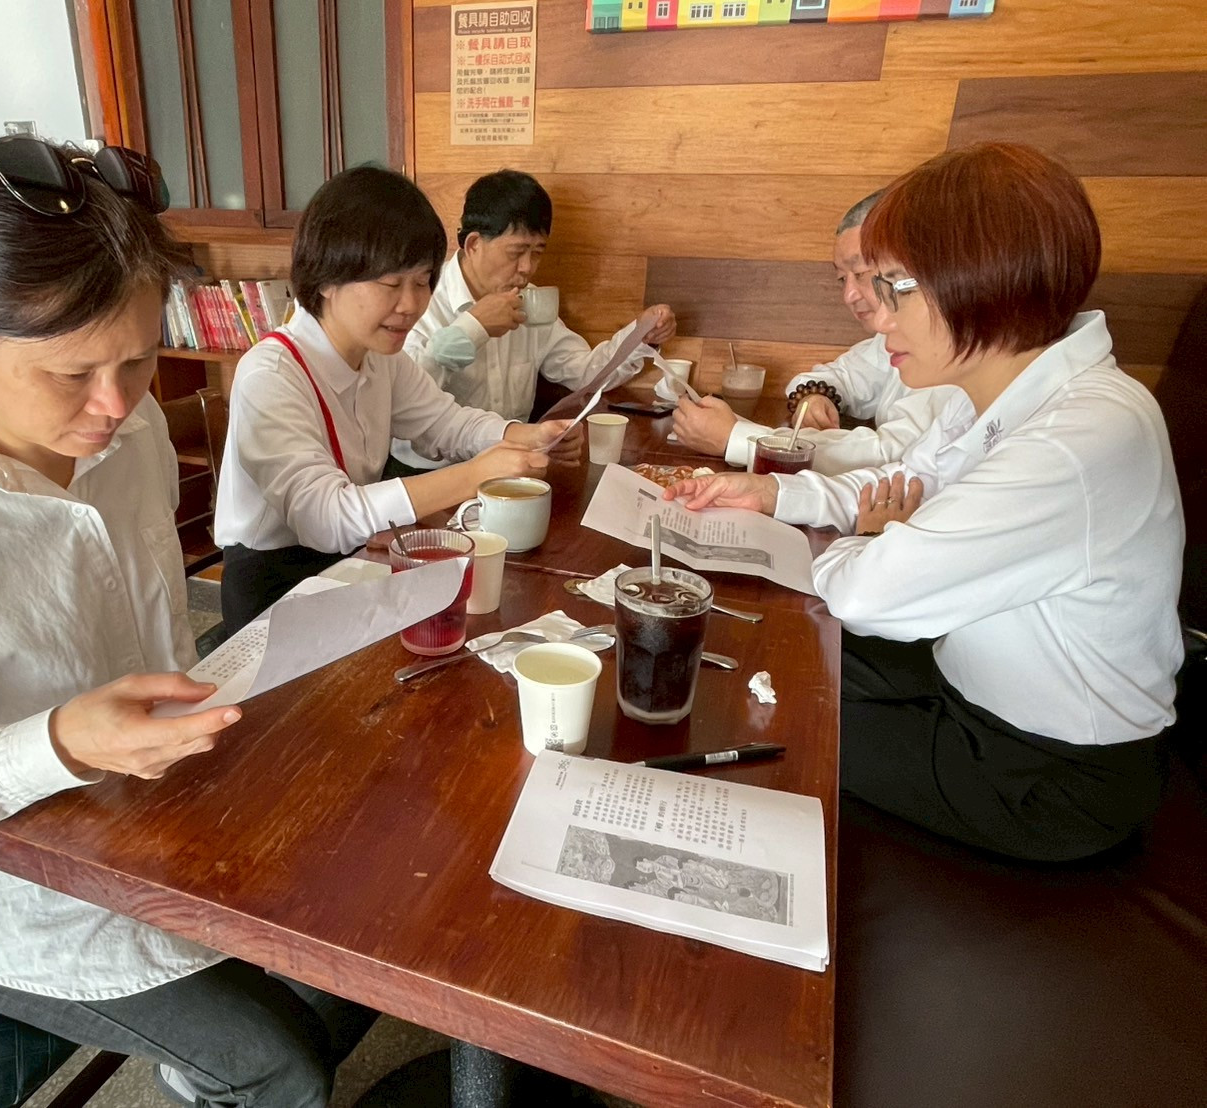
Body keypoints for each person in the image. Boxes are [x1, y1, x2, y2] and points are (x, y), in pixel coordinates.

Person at [0, 135, 372, 1108]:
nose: (115, 405)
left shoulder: (130, 429)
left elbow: (157, 632)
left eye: (138, 357)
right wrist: (55, 744)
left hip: (161, 805)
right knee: (279, 1059)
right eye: (72, 372)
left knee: (379, 895)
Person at [665, 143, 1183, 863]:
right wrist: (771, 492)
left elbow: (867, 595)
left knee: (759, 713)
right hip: (965, 678)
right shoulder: (996, 392)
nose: (878, 318)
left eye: (895, 288)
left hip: (1047, 774)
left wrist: (870, 539)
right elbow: (896, 483)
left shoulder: (1078, 435)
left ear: (981, 280)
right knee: (764, 655)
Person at [214, 166, 576, 636]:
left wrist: (523, 435)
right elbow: (324, 517)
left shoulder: (380, 357)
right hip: (271, 586)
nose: (411, 305)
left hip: (351, 560)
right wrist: (472, 475)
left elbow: (446, 423)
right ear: (326, 277)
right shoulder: (271, 374)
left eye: (422, 281)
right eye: (391, 284)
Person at [388, 169, 676, 473]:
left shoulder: (533, 302)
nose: (527, 267)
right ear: (473, 245)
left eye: (537, 252)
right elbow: (406, 404)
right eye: (517, 252)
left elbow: (585, 374)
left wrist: (640, 335)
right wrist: (472, 329)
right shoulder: (422, 300)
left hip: (513, 465)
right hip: (428, 471)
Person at [668, 189, 958, 474]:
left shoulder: (953, 344)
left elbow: (895, 457)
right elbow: (835, 376)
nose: (848, 295)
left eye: (861, 273)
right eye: (842, 279)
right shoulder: (894, 337)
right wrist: (815, 398)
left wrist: (737, 439)